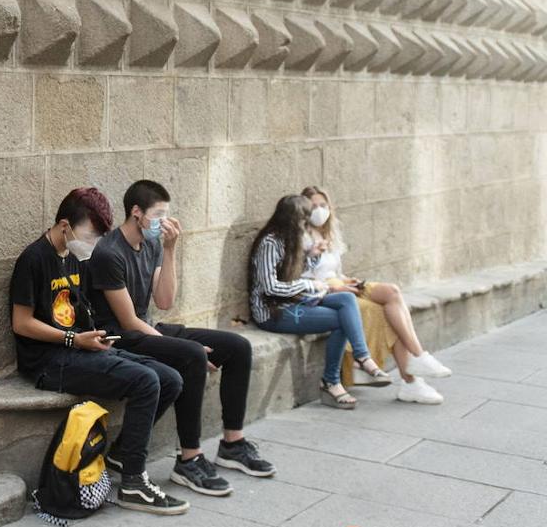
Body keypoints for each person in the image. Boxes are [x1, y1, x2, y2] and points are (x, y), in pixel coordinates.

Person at [87, 180, 275, 498]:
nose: (165, 222)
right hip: (116, 335)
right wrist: (180, 347)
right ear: (136, 213)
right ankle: (189, 459)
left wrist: (171, 250)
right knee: (190, 355)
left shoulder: (153, 245)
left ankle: (232, 443)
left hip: (146, 326)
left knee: (237, 347)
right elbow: (127, 321)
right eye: (159, 215)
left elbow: (164, 301)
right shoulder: (109, 252)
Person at [11, 188, 189, 515]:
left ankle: (123, 455)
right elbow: (22, 324)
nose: (93, 244)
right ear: (65, 226)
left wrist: (93, 337)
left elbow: (80, 314)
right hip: (48, 361)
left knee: (171, 379)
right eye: (89, 235)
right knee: (146, 381)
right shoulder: (34, 258)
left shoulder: (77, 258)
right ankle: (133, 483)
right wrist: (72, 341)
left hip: (81, 347)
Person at [301, 186, 451, 404]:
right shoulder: (302, 237)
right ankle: (412, 381)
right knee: (385, 315)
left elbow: (335, 271)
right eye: (313, 206)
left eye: (323, 205)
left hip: (341, 283)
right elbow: (302, 277)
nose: (319, 210)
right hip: (325, 292)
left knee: (392, 292)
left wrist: (348, 280)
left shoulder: (329, 234)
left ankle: (419, 358)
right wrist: (334, 285)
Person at [249, 195, 391, 410]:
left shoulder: (292, 240)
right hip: (273, 312)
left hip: (295, 303)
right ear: (293, 219)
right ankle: (333, 381)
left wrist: (313, 256)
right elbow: (270, 287)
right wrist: (310, 286)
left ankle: (361, 357)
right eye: (304, 220)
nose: (306, 225)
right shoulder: (270, 242)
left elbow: (292, 271)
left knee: (346, 298)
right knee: (341, 320)